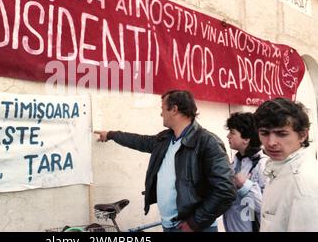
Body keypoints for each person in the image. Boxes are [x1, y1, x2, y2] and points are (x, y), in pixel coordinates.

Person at [95, 90, 236, 232]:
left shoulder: (207, 142)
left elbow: (226, 190)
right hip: (169, 225)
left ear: (174, 109)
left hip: (195, 228)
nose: (161, 114)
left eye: (162, 109)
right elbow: (139, 141)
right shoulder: (165, 139)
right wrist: (111, 135)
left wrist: (195, 222)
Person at [253, 98, 318, 231]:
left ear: (303, 135)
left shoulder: (303, 183)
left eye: (281, 134)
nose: (271, 142)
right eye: (265, 133)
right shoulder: (279, 168)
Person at [223, 112, 268, 232]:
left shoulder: (263, 165)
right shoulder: (235, 163)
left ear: (246, 139)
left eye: (232, 132)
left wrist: (245, 186)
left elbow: (267, 209)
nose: (228, 136)